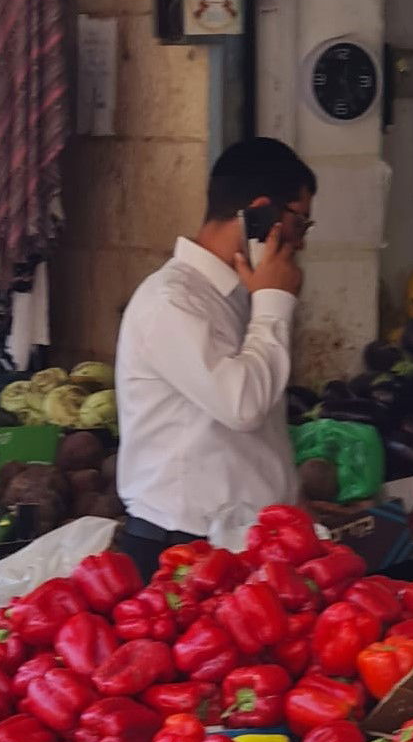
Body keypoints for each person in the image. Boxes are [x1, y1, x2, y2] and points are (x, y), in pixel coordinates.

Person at [114, 137, 317, 579]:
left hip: (241, 546)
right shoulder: (173, 301)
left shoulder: (241, 296)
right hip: (181, 553)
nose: (300, 244)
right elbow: (241, 405)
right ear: (261, 212)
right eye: (299, 224)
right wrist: (275, 303)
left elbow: (260, 426)